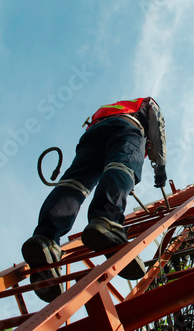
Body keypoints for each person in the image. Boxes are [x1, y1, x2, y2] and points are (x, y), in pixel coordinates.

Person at [21, 97, 167, 302]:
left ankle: (46, 239)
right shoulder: (146, 104)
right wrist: (160, 167)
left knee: (74, 184)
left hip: (92, 136)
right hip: (126, 127)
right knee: (122, 167)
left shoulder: (111, 107)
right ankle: (107, 222)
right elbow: (157, 127)